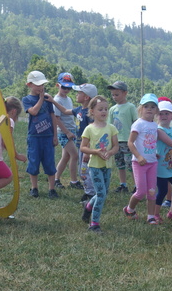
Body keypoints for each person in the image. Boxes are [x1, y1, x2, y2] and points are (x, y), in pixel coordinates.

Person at [124, 94, 172, 224]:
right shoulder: (138, 124)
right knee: (141, 192)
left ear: (156, 110)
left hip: (153, 163)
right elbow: (130, 143)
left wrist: (155, 154)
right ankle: (129, 209)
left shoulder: (154, 126)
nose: (149, 109)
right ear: (141, 108)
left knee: (152, 192)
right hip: (139, 163)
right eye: (146, 106)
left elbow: (157, 144)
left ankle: (151, 217)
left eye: (153, 107)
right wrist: (139, 156)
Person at [53, 83, 98, 203]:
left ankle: (91, 193)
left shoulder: (89, 113)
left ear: (86, 97)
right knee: (82, 170)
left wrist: (87, 151)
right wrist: (53, 101)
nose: (76, 94)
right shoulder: (79, 110)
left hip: (86, 147)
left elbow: (92, 133)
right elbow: (64, 110)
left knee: (85, 170)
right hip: (80, 146)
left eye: (79, 93)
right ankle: (89, 190)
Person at [80, 95, 119, 233]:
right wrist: (95, 151)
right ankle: (94, 224)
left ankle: (88, 206)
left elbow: (116, 146)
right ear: (92, 111)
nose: (104, 112)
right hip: (94, 166)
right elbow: (83, 147)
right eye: (100, 109)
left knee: (104, 192)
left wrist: (110, 152)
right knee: (101, 194)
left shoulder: (111, 128)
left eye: (106, 109)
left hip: (107, 166)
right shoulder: (89, 129)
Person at [22, 70, 59, 199]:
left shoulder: (48, 100)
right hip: (34, 137)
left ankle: (52, 189)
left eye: (42, 84)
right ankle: (34, 188)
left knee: (49, 162)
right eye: (37, 85)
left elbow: (53, 116)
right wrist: (41, 99)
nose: (40, 87)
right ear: (29, 85)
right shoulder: (27, 99)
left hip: (48, 136)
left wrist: (55, 135)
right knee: (33, 162)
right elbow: (33, 112)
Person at [107, 81, 138, 193]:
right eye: (113, 95)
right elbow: (110, 125)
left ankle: (136, 185)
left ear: (125, 93)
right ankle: (123, 184)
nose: (114, 97)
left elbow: (136, 122)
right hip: (116, 141)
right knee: (120, 164)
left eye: (117, 94)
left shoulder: (130, 107)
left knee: (130, 164)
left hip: (128, 141)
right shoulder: (112, 109)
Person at [53, 72, 80, 190]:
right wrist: (67, 132)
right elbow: (57, 119)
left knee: (66, 157)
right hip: (63, 132)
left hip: (71, 130)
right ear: (58, 85)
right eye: (64, 87)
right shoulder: (57, 100)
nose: (66, 90)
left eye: (69, 88)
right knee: (75, 155)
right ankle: (74, 181)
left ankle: (56, 179)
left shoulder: (68, 99)